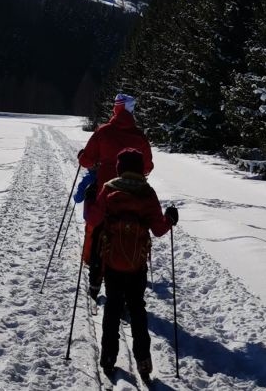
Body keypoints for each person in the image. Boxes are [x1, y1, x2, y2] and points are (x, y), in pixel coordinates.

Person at [86, 147, 178, 383]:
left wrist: (89, 200)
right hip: (136, 264)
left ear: (120, 167)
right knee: (137, 308)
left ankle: (108, 357)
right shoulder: (147, 193)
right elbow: (158, 229)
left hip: (112, 261)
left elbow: (93, 219)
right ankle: (144, 361)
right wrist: (170, 219)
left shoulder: (109, 189)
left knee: (113, 308)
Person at [77, 93, 154, 301]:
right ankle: (131, 290)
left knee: (100, 233)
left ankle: (94, 283)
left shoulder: (104, 132)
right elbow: (148, 166)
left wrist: (83, 157)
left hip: (106, 191)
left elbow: (86, 160)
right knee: (131, 235)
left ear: (116, 110)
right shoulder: (139, 135)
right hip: (134, 194)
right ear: (130, 111)